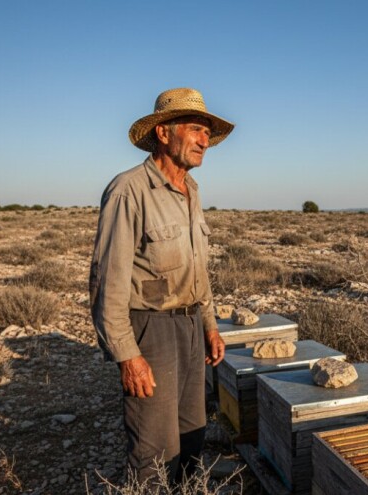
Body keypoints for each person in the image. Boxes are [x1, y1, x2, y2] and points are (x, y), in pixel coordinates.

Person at [89, 87, 232, 483]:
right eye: (195, 129)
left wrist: (210, 324)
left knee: (192, 432)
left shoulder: (192, 191)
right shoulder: (129, 190)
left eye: (208, 132)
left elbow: (197, 270)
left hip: (190, 329)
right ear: (164, 133)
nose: (205, 140)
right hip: (150, 330)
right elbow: (107, 282)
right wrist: (127, 355)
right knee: (154, 447)